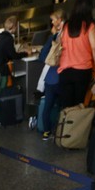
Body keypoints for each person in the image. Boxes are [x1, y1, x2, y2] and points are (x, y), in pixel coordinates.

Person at [58, 0, 95, 108]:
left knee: (65, 107)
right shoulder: (89, 25)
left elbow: (60, 43)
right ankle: (77, 126)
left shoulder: (66, 25)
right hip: (82, 71)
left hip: (65, 71)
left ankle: (65, 126)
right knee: (78, 106)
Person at [0, 16, 28, 125]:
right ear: (14, 27)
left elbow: (5, 54)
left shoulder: (0, 37)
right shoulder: (8, 38)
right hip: (1, 70)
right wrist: (26, 53)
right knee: (0, 93)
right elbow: (13, 55)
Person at [38, 9, 65, 140]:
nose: (52, 22)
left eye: (53, 19)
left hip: (50, 78)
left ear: (60, 19)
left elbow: (42, 56)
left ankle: (46, 132)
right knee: (62, 107)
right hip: (62, 77)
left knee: (47, 107)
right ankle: (61, 132)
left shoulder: (53, 37)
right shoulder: (69, 35)